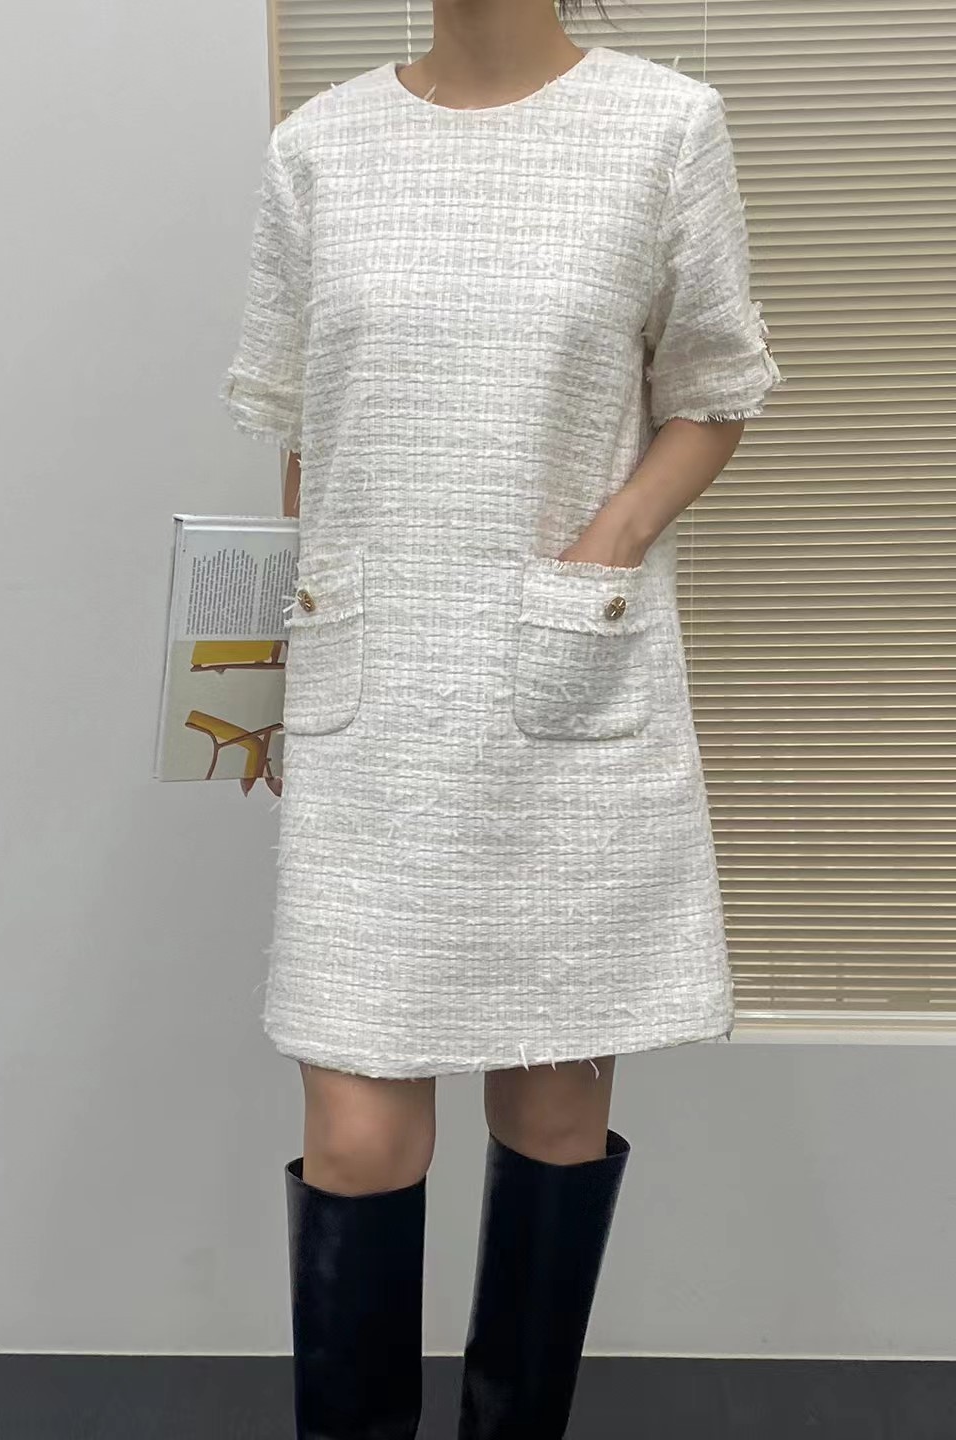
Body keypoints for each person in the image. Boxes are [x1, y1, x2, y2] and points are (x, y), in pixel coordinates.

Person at [219, 0, 782, 1434]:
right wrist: (281, 668)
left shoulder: (663, 127)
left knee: (552, 1118)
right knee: (356, 1136)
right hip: (374, 704)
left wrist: (604, 549)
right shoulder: (320, 146)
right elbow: (306, 437)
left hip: (561, 697)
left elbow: (715, 387)